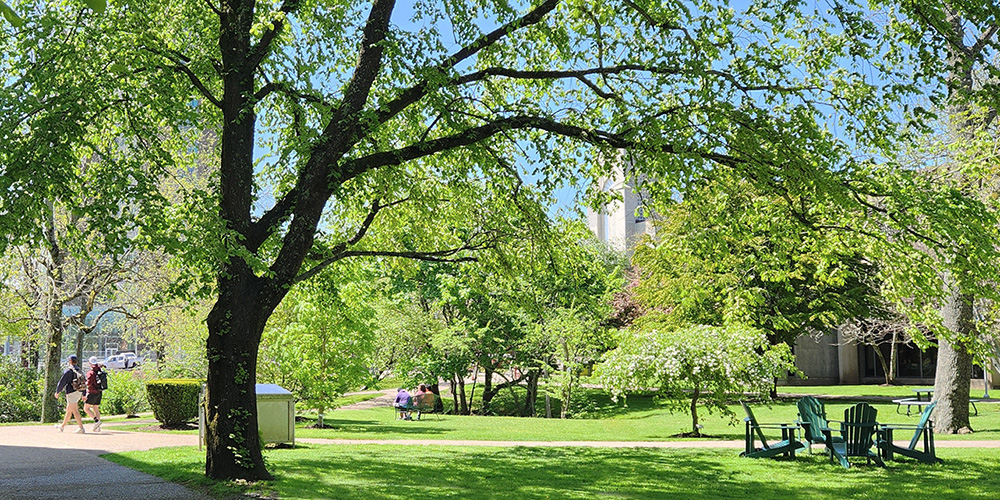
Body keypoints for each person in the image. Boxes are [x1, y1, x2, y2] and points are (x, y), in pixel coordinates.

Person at [53, 355, 86, 433]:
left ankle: (81, 428)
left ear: (70, 361)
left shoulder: (68, 371)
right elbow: (83, 382)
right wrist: (84, 393)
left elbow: (62, 382)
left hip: (71, 393)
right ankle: (62, 427)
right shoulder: (79, 370)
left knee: (75, 411)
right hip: (79, 392)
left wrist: (57, 391)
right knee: (69, 410)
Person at [84, 356, 106, 432]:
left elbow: (89, 383)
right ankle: (98, 427)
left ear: (90, 363)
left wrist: (85, 383)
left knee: (86, 408)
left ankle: (96, 421)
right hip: (99, 392)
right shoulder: (99, 370)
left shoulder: (90, 373)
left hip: (92, 392)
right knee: (96, 408)